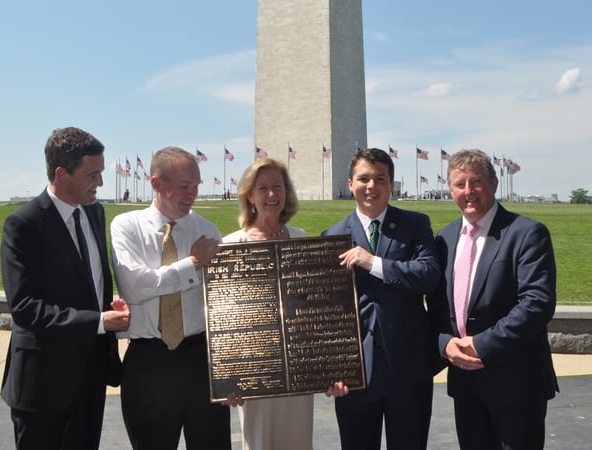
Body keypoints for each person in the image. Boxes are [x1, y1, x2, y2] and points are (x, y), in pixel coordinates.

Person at [0, 126, 130, 449]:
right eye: (93, 174)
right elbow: (25, 307)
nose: (100, 182)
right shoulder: (23, 225)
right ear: (62, 173)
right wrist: (98, 322)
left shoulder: (96, 212)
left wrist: (108, 305)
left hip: (91, 375)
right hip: (43, 384)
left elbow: (88, 281)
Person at [426, 148, 558, 449]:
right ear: (450, 190)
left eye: (476, 182)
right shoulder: (444, 239)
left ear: (494, 184)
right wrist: (445, 343)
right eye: (460, 184)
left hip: (516, 383)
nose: (468, 192)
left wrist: (480, 344)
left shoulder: (527, 233)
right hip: (465, 383)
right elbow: (435, 307)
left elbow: (537, 304)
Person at [222, 157, 349, 450]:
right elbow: (225, 318)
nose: (271, 195)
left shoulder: (301, 239)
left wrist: (330, 364)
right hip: (256, 368)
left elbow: (319, 310)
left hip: (298, 368)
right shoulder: (230, 245)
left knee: (298, 441)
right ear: (249, 195)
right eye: (263, 187)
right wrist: (229, 376)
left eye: (277, 187)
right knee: (259, 442)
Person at [322, 147, 442, 449]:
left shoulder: (416, 224)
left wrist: (372, 262)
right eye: (363, 178)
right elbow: (325, 309)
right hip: (355, 372)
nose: (371, 186)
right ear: (350, 184)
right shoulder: (332, 235)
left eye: (380, 179)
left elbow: (428, 275)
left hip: (408, 366)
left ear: (391, 184)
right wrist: (330, 366)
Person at [110, 146, 229, 449]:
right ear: (156, 184)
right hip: (149, 362)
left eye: (196, 186)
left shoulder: (207, 230)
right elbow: (134, 287)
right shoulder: (127, 226)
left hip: (200, 360)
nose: (192, 194)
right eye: (184, 186)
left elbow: (223, 304)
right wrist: (193, 264)